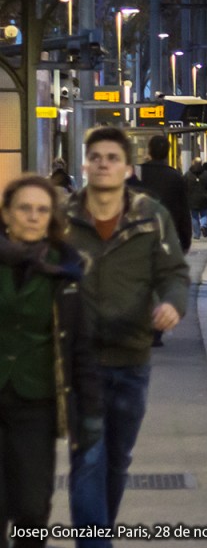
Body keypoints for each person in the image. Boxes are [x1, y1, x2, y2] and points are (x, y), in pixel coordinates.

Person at [66, 126, 190, 546]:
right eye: (96, 157)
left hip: (132, 359)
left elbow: (172, 273)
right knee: (88, 459)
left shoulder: (150, 216)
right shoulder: (62, 219)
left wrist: (172, 304)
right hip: (79, 363)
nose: (103, 163)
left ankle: (101, 530)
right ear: (85, 165)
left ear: (127, 168)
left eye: (112, 157)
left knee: (116, 462)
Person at [0, 175, 101, 548]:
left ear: (51, 218)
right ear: (7, 215)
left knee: (31, 506)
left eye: (41, 210)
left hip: (37, 401)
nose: (32, 216)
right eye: (24, 208)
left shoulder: (66, 270)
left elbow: (82, 348)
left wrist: (90, 413)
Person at [138, 135, 192, 255]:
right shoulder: (176, 177)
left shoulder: (137, 173)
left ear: (149, 150)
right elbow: (184, 211)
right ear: (167, 152)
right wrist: (185, 242)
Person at [184, 161, 207, 240]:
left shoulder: (188, 175)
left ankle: (196, 234)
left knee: (194, 216)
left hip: (192, 199)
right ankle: (203, 226)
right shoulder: (206, 175)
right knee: (204, 214)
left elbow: (183, 186)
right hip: (204, 198)